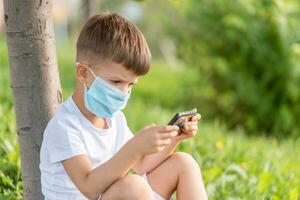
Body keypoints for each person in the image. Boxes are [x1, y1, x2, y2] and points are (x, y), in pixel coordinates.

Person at [39, 12, 207, 200]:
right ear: (83, 72)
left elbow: (141, 164)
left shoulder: (114, 119)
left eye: (130, 85)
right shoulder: (65, 126)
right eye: (116, 81)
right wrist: (135, 147)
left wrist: (174, 137)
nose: (123, 92)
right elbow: (88, 187)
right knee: (133, 187)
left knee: (183, 164)